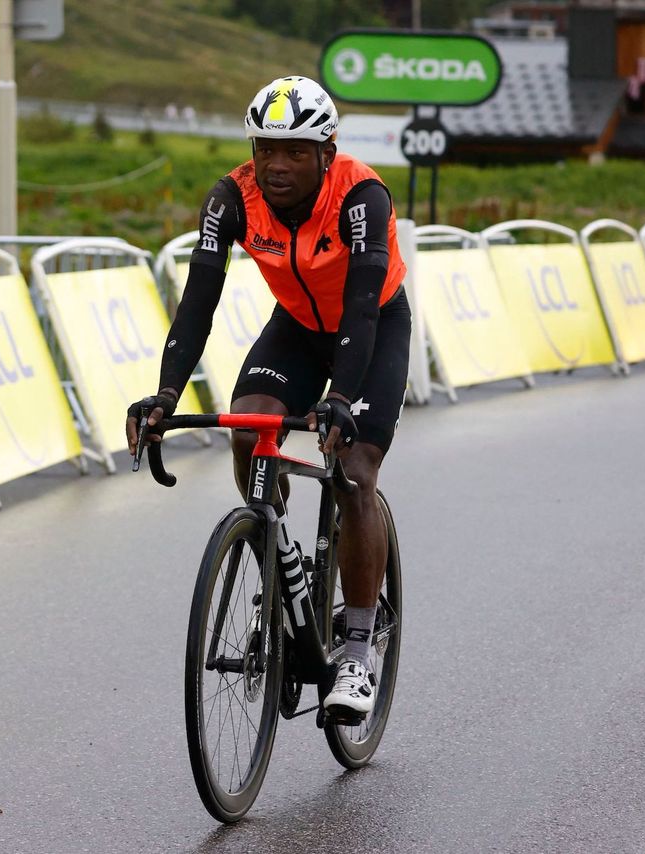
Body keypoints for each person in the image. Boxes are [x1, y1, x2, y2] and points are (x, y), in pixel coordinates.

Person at [125, 76, 410, 720]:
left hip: (371, 327)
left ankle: (359, 647)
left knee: (356, 471)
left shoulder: (361, 195)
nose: (276, 166)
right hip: (297, 331)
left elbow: (362, 306)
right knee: (250, 427)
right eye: (265, 150)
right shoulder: (231, 198)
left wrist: (341, 396)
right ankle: (277, 554)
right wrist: (167, 395)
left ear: (326, 153)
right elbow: (199, 299)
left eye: (295, 152)